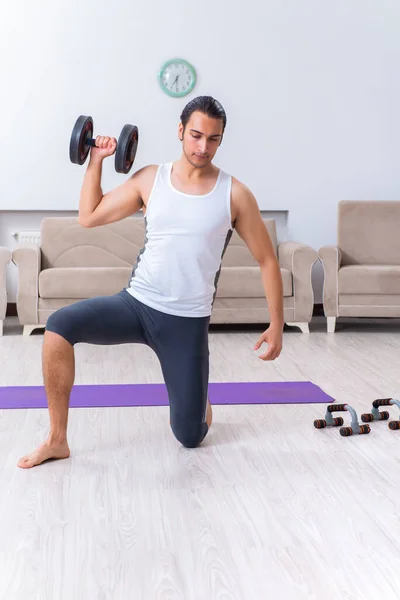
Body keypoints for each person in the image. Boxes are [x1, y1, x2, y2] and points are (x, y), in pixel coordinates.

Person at [17, 96, 284, 469]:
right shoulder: (150, 179)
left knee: (190, 437)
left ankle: (196, 396)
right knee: (59, 327)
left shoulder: (234, 194)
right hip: (137, 305)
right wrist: (95, 161)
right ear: (180, 131)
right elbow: (89, 216)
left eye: (212, 139)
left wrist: (276, 324)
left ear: (221, 140)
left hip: (186, 322)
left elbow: (267, 259)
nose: (202, 146)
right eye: (195, 135)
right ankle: (57, 439)